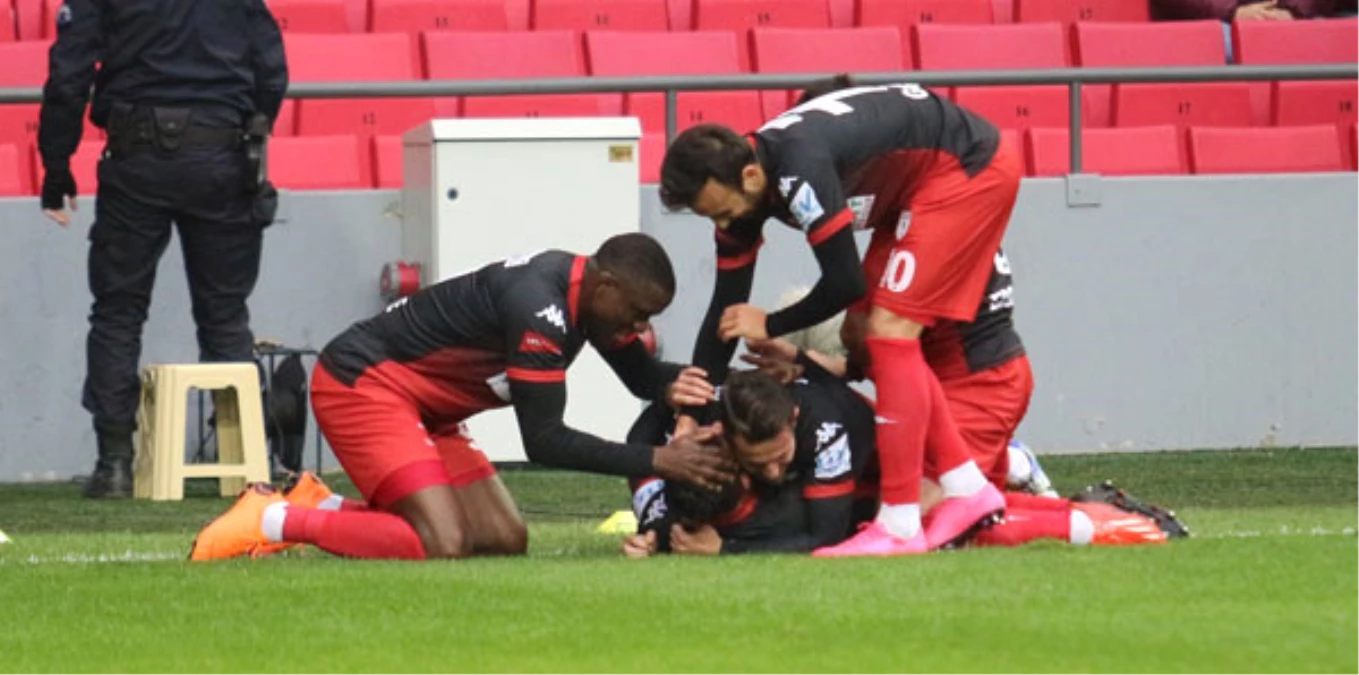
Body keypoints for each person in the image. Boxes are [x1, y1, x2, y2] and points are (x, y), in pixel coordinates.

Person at [190, 234, 734, 561]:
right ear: (607, 286)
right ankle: (275, 518)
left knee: (502, 538)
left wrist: (671, 382)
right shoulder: (539, 309)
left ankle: (326, 504)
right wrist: (660, 460)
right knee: (441, 542)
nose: (640, 327)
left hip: (430, 411)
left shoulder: (586, 296)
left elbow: (640, 376)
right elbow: (543, 440)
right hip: (365, 383)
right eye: (637, 313)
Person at [660, 78, 1023, 556]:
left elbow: (844, 282)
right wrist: (689, 414)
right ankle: (968, 488)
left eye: (724, 214)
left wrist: (770, 324)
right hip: (914, 189)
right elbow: (724, 315)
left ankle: (898, 523)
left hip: (966, 166)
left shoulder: (798, 168)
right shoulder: (748, 182)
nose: (723, 227)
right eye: (712, 219)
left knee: (890, 333)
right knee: (863, 334)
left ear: (750, 178)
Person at [38, 0, 288, 498]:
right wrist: (250, 134)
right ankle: (244, 464)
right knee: (224, 315)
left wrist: (56, 164)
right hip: (221, 154)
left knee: (117, 312)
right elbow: (271, 71)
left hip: (136, 156)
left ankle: (114, 464)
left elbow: (69, 76)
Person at [624, 366, 877, 556]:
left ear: (794, 419)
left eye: (780, 457)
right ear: (723, 435)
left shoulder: (824, 429)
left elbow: (826, 538)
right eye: (755, 464)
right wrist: (652, 538)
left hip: (882, 467)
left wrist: (725, 549)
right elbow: (639, 450)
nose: (773, 473)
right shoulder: (713, 415)